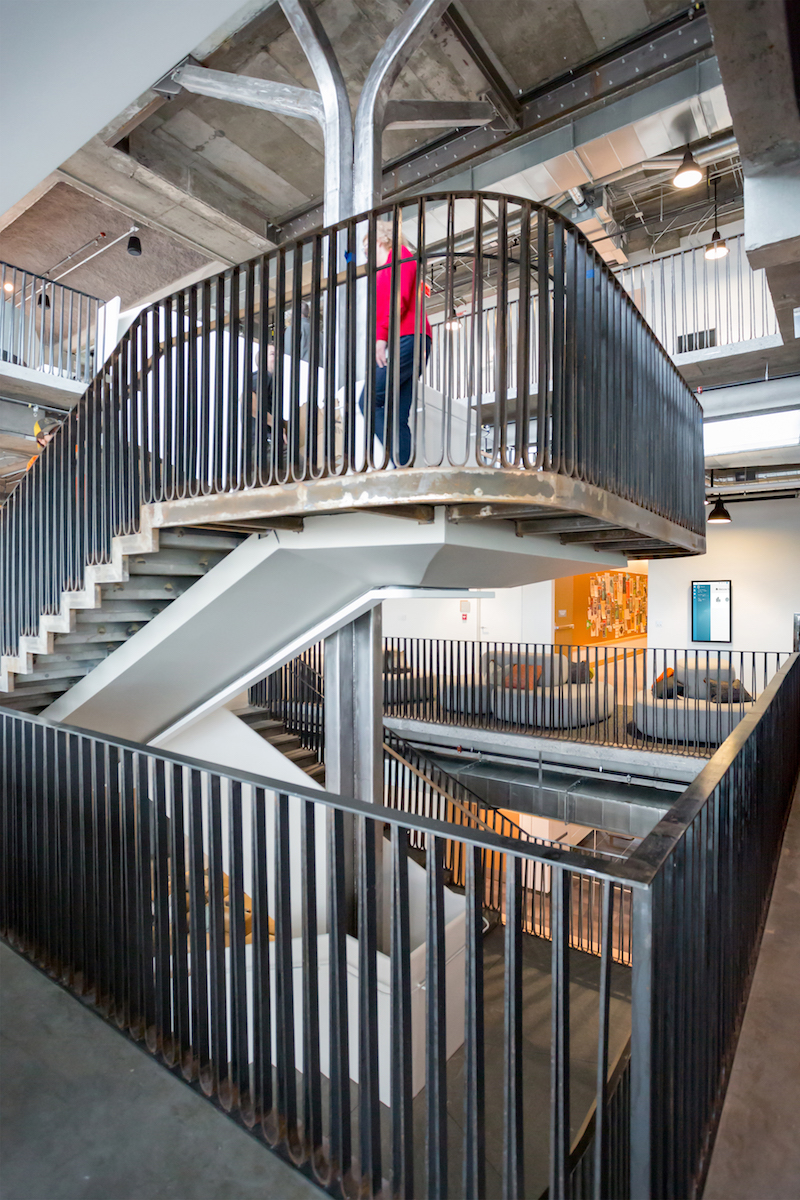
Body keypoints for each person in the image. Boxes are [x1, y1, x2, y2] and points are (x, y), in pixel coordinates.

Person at [359, 222, 432, 468]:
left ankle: (399, 463)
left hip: (410, 337)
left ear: (377, 242)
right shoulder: (396, 261)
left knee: (368, 401)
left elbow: (396, 300)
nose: (367, 258)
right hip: (414, 339)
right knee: (398, 414)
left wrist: (380, 338)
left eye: (366, 250)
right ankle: (405, 469)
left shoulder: (398, 256)